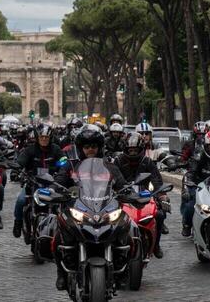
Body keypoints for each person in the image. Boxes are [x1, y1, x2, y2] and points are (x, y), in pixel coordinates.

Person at [53, 126, 129, 290]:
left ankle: (123, 270)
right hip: (78, 209)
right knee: (57, 232)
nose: (90, 150)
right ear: (81, 148)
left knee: (127, 226)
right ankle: (61, 272)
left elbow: (123, 185)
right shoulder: (71, 167)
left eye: (93, 146)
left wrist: (128, 193)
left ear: (99, 147)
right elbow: (58, 183)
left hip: (105, 209)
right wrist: (57, 191)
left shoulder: (110, 167)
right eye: (86, 147)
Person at [114, 132, 169, 258]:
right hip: (122, 196)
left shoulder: (148, 162)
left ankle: (156, 245)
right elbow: (111, 179)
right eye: (130, 150)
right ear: (125, 149)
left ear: (141, 150)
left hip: (144, 195)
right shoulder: (118, 161)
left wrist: (162, 196)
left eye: (135, 150)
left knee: (159, 215)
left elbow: (157, 180)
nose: (133, 153)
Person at [12, 123, 64, 238]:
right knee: (21, 200)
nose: (44, 139)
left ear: (50, 138)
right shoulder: (30, 150)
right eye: (42, 137)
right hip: (33, 183)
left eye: (46, 137)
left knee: (62, 204)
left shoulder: (56, 149)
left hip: (52, 184)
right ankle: (18, 222)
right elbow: (21, 161)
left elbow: (64, 161)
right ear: (37, 138)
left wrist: (60, 167)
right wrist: (16, 170)